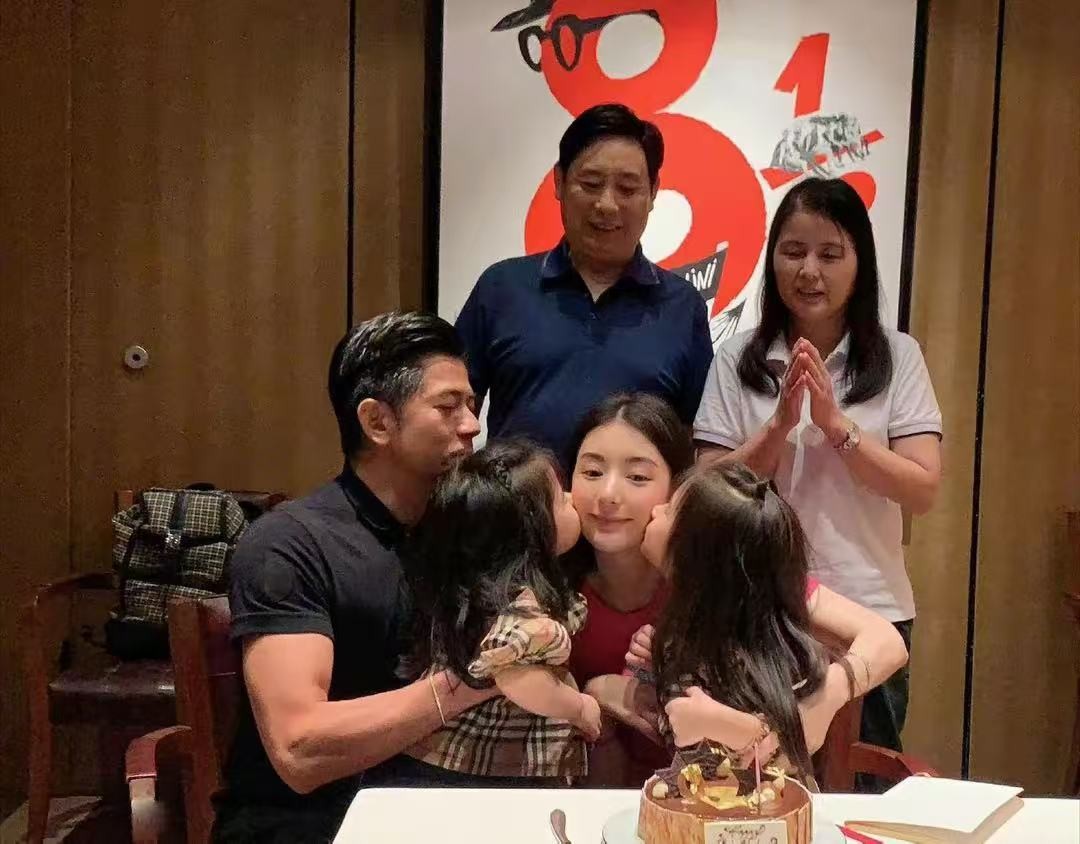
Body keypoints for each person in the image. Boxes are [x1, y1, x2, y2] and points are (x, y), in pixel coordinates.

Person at [692, 177, 943, 759]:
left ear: (860, 264)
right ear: (773, 259)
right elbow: (707, 488)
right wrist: (779, 426)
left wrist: (836, 427)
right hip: (755, 609)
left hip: (869, 614)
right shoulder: (737, 357)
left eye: (830, 254)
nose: (809, 271)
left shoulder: (898, 356)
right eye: (793, 251)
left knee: (861, 778)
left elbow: (922, 490)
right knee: (750, 775)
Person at [215, 312, 486, 842]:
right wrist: (470, 683)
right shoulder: (290, 543)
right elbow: (298, 748)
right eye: (448, 406)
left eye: (471, 405)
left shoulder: (464, 533)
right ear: (377, 422)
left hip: (435, 810)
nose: (472, 424)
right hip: (306, 824)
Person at [592, 462, 908, 783]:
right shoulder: (689, 621)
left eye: (670, 509)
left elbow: (887, 642)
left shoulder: (757, 607)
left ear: (697, 550)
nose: (656, 510)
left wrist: (820, 701)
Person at [455, 103, 713, 467]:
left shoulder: (683, 307)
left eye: (627, 189)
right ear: (559, 182)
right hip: (515, 502)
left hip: (630, 505)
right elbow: (453, 414)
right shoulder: (501, 288)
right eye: (591, 185)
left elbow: (695, 443)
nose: (607, 205)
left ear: (653, 192)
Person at [388, 439, 600, 786]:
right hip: (484, 770)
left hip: (450, 761)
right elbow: (515, 675)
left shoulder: (474, 588)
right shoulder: (523, 605)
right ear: (535, 530)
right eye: (560, 500)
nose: (572, 499)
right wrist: (578, 707)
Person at [563, 392, 695, 784]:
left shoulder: (707, 583)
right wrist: (596, 694)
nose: (607, 494)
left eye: (637, 477)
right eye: (592, 472)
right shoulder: (549, 592)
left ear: (677, 491)